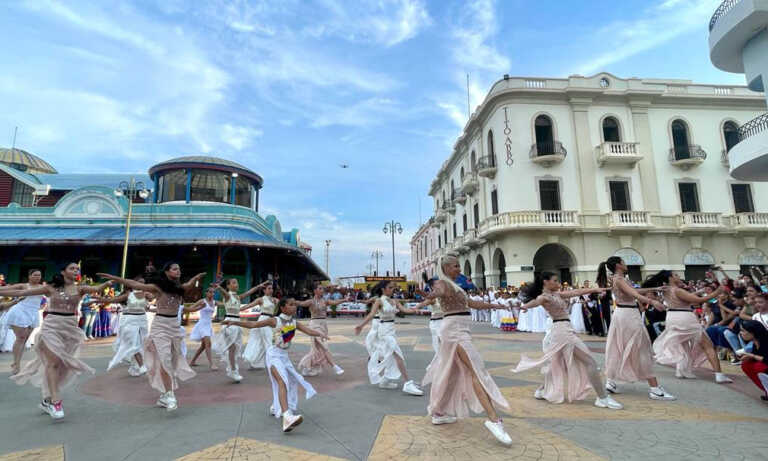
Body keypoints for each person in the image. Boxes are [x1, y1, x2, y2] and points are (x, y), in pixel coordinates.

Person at [422, 255, 512, 446]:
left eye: (459, 266)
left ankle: (438, 413)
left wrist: (495, 305)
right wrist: (431, 294)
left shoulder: (457, 286)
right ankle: (494, 420)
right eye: (455, 266)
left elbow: (472, 304)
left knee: (453, 373)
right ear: (445, 268)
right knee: (477, 371)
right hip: (454, 331)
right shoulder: (443, 284)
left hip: (460, 329)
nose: (459, 269)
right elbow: (437, 291)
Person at [7, 263, 111, 419]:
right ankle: (56, 401)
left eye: (77, 269)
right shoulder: (50, 288)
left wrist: (109, 282)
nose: (75, 271)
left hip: (70, 328)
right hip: (52, 326)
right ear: (63, 271)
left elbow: (97, 289)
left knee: (61, 366)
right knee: (53, 362)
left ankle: (47, 399)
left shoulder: (80, 288)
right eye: (72, 268)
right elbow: (21, 291)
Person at [97, 265, 205, 411]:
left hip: (174, 326)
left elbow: (189, 284)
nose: (178, 270)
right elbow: (136, 284)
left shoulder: (180, 288)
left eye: (179, 268)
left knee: (172, 361)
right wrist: (116, 279)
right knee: (164, 359)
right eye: (174, 269)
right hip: (160, 325)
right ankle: (170, 394)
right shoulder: (157, 288)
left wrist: (196, 278)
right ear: (166, 272)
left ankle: (164, 396)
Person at [513, 272, 623, 410]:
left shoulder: (557, 294)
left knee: (559, 364)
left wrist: (594, 289)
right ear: (545, 282)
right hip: (562, 332)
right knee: (590, 362)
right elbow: (536, 302)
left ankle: (541, 390)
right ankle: (602, 398)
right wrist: (525, 307)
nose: (557, 282)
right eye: (554, 280)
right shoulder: (545, 296)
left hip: (563, 329)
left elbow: (577, 292)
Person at [222, 297, 327, 432]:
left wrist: (321, 334)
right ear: (283, 308)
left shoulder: (294, 322)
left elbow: (309, 331)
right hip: (273, 355)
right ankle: (287, 417)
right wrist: (235, 322)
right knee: (282, 382)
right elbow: (253, 325)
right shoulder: (275, 320)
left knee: (290, 382)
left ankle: (275, 406)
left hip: (284, 357)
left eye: (294, 304)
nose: (294, 306)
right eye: (291, 304)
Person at [596, 257, 676, 400]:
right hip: (628, 315)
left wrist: (654, 289)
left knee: (618, 347)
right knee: (641, 348)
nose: (626, 264)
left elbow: (633, 290)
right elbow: (634, 294)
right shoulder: (619, 279)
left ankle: (611, 382)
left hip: (623, 314)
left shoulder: (618, 278)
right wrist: (652, 301)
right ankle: (655, 389)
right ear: (619, 265)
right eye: (624, 262)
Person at [644, 270, 733, 384]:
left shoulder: (666, 289)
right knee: (708, 345)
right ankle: (719, 375)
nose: (678, 276)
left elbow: (686, 298)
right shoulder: (677, 290)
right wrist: (717, 292)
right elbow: (699, 300)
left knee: (683, 344)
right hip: (684, 317)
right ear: (670, 278)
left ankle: (682, 370)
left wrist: (700, 290)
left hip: (672, 317)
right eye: (675, 275)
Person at [354, 281, 423, 396]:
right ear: (383, 289)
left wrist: (416, 309)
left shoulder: (395, 301)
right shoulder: (379, 300)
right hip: (384, 331)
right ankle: (407, 383)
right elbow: (371, 314)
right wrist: (360, 326)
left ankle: (385, 381)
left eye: (393, 287)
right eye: (390, 287)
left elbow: (405, 310)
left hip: (391, 330)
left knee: (390, 357)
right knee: (398, 354)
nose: (393, 289)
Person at [93, 277, 152, 376]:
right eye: (140, 283)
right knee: (134, 342)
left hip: (142, 321)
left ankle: (135, 366)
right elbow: (113, 300)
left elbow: (150, 300)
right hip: (129, 320)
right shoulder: (128, 295)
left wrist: (148, 297)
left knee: (141, 344)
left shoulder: (145, 294)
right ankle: (142, 366)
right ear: (133, 284)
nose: (142, 285)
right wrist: (98, 300)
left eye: (143, 283)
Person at [212, 278, 262, 382]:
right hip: (229, 323)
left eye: (237, 282)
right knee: (232, 349)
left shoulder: (237, 297)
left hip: (237, 323)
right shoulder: (228, 295)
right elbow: (224, 292)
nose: (236, 284)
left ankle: (233, 370)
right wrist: (219, 288)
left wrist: (258, 287)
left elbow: (248, 293)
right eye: (234, 283)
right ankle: (233, 371)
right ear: (228, 286)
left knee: (234, 350)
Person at [295, 284, 347, 376]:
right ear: (315, 291)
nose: (322, 290)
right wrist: (291, 302)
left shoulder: (325, 301)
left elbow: (334, 302)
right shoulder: (311, 301)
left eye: (322, 289)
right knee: (324, 346)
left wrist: (344, 300)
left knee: (316, 350)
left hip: (323, 325)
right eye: (320, 288)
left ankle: (306, 367)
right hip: (314, 325)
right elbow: (300, 303)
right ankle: (334, 366)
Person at [0, 269, 45, 375]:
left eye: (39, 275)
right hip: (20, 312)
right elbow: (7, 288)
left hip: (33, 313)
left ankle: (16, 361)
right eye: (35, 275)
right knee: (20, 338)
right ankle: (16, 363)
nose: (37, 277)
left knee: (24, 340)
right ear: (29, 276)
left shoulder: (43, 287)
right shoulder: (23, 286)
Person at [241, 280, 279, 369]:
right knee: (268, 341)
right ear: (264, 290)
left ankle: (255, 362)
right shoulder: (261, 299)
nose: (271, 290)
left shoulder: (275, 300)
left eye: (272, 288)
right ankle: (273, 363)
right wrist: (237, 309)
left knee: (263, 342)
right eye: (269, 288)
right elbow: (248, 306)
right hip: (262, 321)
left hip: (271, 321)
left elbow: (281, 308)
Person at [186, 286, 218, 370]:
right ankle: (212, 364)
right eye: (210, 292)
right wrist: (199, 307)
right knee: (208, 343)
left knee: (203, 346)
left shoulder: (215, 302)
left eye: (213, 292)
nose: (212, 293)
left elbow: (225, 304)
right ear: (206, 293)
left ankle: (192, 361)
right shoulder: (202, 301)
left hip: (209, 325)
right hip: (202, 325)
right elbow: (191, 308)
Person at [737, 320, 768, 401]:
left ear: (753, 332)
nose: (741, 333)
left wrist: (752, 356)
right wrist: (748, 357)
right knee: (746, 365)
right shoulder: (755, 342)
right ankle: (766, 390)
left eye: (743, 331)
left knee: (759, 367)